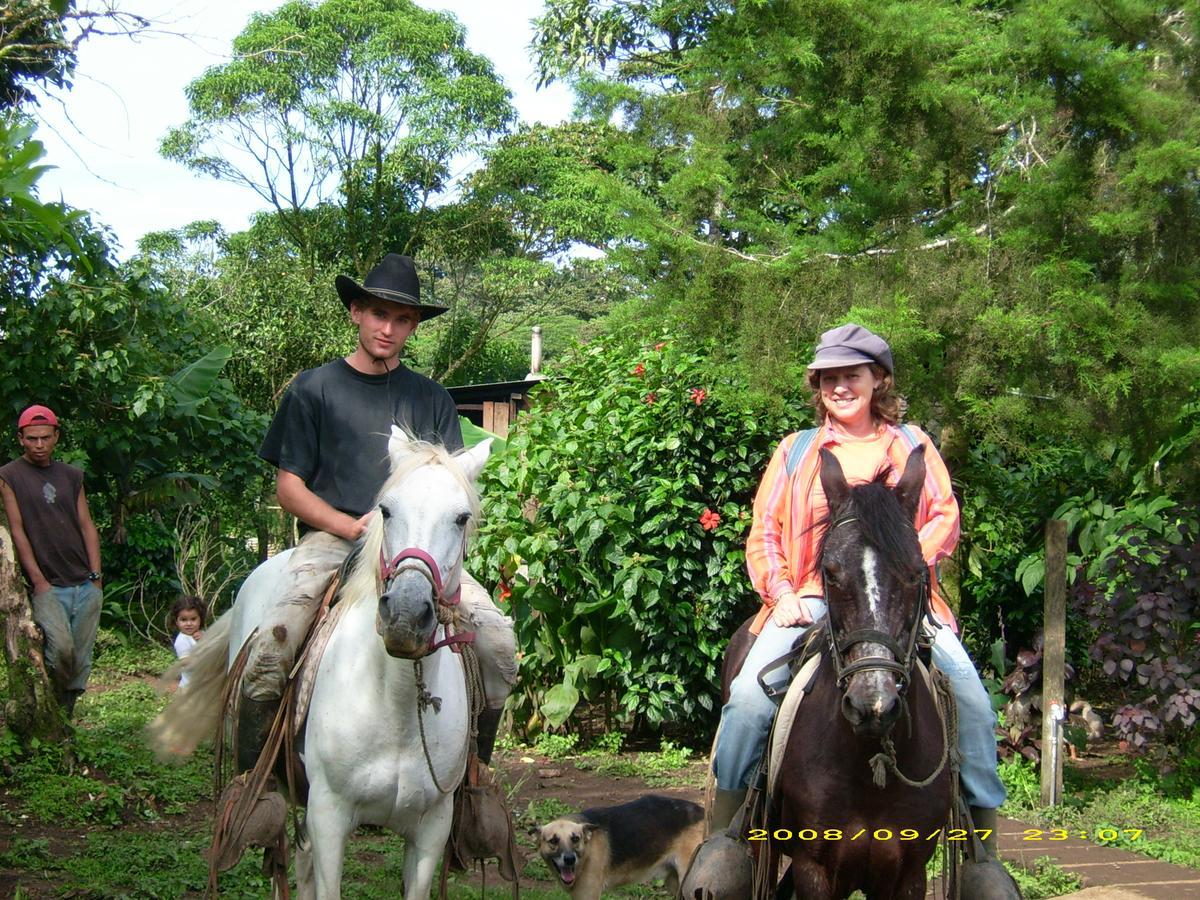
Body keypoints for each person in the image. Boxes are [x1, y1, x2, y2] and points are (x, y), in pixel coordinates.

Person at [709, 323, 1007, 856]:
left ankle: (981, 847)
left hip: (900, 599)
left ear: (879, 381)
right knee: (749, 702)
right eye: (829, 377)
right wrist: (782, 593)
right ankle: (724, 839)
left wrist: (900, 564)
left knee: (974, 702)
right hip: (813, 596)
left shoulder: (913, 445)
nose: (840, 386)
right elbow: (765, 530)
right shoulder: (797, 452)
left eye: (852, 375)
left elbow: (944, 516)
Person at [242, 252, 516, 773]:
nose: (388, 328)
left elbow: (449, 486)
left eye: (402, 319)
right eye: (378, 314)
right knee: (272, 649)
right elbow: (289, 488)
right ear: (356, 313)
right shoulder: (313, 389)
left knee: (499, 645)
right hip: (334, 540)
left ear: (414, 326)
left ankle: (473, 782)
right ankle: (253, 787)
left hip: (416, 552)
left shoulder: (432, 398)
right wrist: (351, 525)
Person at [0, 405, 103, 717]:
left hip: (84, 581)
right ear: (21, 439)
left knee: (81, 659)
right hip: (49, 584)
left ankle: (65, 717)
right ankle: (49, 711)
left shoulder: (71, 476)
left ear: (56, 436)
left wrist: (96, 577)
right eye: (32, 438)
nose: (39, 445)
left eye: (45, 437)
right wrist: (39, 580)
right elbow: (17, 531)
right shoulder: (9, 476)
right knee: (60, 652)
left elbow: (87, 526)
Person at [169, 594, 207, 689]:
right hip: (190, 688)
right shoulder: (182, 640)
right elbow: (186, 663)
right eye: (183, 620)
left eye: (193, 619)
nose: (189, 623)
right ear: (177, 621)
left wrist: (205, 638)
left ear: (200, 619)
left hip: (203, 685)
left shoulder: (201, 634)